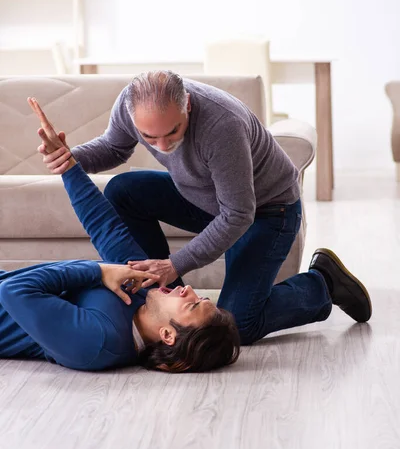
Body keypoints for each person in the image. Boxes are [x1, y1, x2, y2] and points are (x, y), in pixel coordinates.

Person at [38, 71, 372, 343]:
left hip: (267, 211)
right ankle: (164, 293)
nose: (163, 146)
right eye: (149, 138)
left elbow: (239, 213)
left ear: (187, 105)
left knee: (234, 325)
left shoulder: (221, 126)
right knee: (124, 189)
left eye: (172, 132)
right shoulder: (130, 103)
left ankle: (322, 282)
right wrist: (70, 157)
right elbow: (114, 148)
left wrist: (174, 262)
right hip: (208, 199)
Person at [0, 101, 241, 373]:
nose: (189, 289)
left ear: (168, 335)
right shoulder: (145, 291)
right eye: (200, 298)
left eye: (193, 305)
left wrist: (99, 271)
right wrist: (67, 164)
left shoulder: (97, 343)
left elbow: (12, 291)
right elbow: (107, 229)